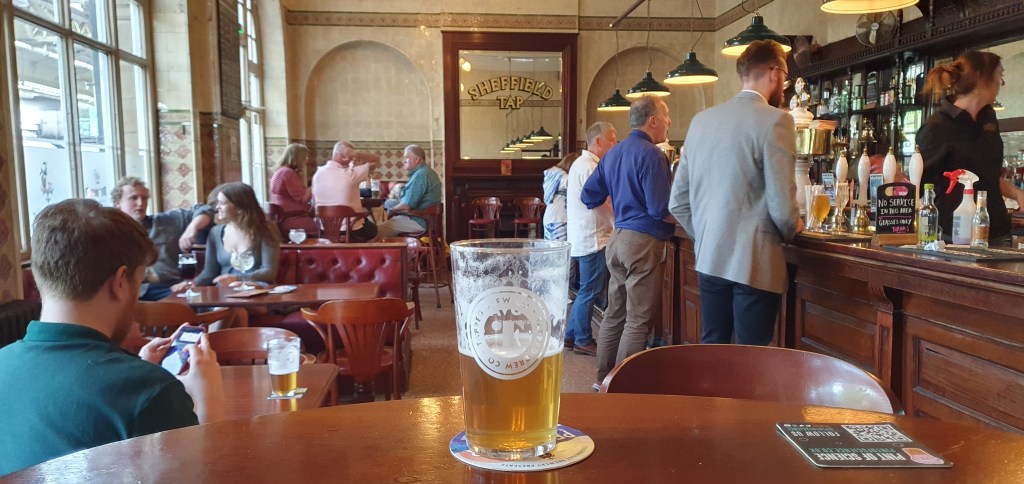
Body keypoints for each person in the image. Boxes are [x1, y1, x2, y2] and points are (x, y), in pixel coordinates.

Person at [0, 199, 224, 476]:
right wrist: (210, 403)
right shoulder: (151, 391)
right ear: (120, 282)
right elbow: (206, 477)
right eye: (138, 283)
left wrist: (140, 369)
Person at [669, 40, 802, 346]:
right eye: (785, 76)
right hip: (753, 260)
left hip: (709, 257)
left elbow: (677, 202)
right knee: (750, 358)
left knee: (713, 349)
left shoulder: (701, 121)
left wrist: (708, 234)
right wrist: (793, 227)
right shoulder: (777, 120)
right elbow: (783, 209)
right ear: (774, 72)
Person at [581, 95, 676, 386]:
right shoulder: (652, 155)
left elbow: (589, 195)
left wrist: (615, 215)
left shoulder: (613, 154)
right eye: (666, 116)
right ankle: (621, 387)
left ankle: (602, 380)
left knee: (614, 315)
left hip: (617, 240)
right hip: (643, 243)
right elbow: (659, 209)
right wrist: (689, 216)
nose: (669, 121)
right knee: (637, 320)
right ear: (653, 121)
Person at [918, 51, 1023, 242]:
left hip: (996, 232)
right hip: (951, 237)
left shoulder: (988, 118)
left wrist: (1016, 193)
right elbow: (920, 187)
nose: (1002, 82)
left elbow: (985, 174)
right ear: (981, 78)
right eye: (1000, 75)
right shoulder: (936, 128)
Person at [113, 177, 214, 301]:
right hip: (130, 292)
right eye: (134, 198)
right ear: (118, 203)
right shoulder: (110, 233)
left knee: (196, 302)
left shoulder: (167, 221)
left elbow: (205, 209)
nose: (140, 203)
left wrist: (192, 228)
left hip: (170, 288)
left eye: (144, 198)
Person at [565, 122, 617, 357]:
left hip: (583, 236)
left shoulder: (580, 163)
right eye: (612, 140)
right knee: (590, 290)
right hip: (593, 237)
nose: (615, 144)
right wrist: (616, 222)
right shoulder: (590, 167)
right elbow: (598, 204)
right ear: (598, 142)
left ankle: (571, 335)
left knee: (586, 289)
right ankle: (583, 339)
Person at [194, 182, 281, 290]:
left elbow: (269, 272)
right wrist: (191, 284)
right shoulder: (215, 232)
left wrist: (237, 279)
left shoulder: (266, 230)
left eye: (222, 203)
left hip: (257, 289)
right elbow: (209, 273)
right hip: (225, 292)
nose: (217, 207)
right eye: (218, 202)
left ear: (239, 208)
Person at [312, 141, 381, 241]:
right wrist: (357, 153)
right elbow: (376, 160)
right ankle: (361, 250)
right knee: (375, 232)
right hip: (352, 230)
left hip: (324, 230)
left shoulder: (317, 174)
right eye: (351, 157)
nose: (351, 160)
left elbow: (313, 203)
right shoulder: (351, 174)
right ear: (344, 156)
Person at [377, 144, 443, 239]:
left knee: (376, 231)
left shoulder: (420, 175)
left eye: (406, 157)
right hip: (426, 220)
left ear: (417, 159)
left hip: (419, 221)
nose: (403, 161)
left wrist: (392, 211)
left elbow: (406, 205)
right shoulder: (427, 172)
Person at [270, 143, 318, 237]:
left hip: (285, 217)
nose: (306, 160)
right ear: (298, 158)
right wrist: (316, 183)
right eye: (305, 157)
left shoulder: (281, 171)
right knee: (324, 227)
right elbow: (302, 197)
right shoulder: (288, 173)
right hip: (291, 218)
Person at [542, 152, 576, 241]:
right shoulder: (563, 178)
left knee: (550, 247)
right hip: (560, 218)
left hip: (549, 216)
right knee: (561, 248)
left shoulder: (552, 176)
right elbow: (575, 182)